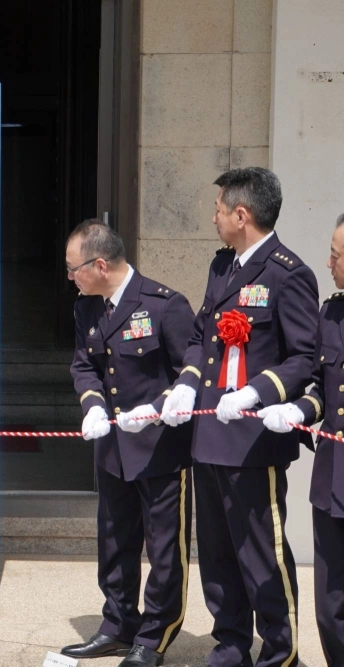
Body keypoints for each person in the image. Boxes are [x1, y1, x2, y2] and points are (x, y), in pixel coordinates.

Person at [158, 167, 318, 667]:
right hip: (209, 434)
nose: (214, 218)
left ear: (242, 215)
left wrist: (255, 392)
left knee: (261, 553)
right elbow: (200, 336)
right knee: (218, 551)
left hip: (252, 440)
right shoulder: (222, 266)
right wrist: (186, 384)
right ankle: (230, 644)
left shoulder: (288, 273)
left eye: (219, 210)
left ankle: (280, 652)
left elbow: (304, 358)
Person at [63, 219, 194, 667]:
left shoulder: (164, 304)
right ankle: (118, 624)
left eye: (74, 268)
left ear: (100, 265)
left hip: (159, 450)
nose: (70, 277)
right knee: (114, 540)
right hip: (113, 449)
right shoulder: (87, 308)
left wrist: (156, 408)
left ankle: (154, 636)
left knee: (164, 550)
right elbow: (84, 366)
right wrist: (93, 406)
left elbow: (190, 373)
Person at [256, 211, 344, 666]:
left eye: (336, 255)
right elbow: (321, 389)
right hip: (333, 481)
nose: (328, 263)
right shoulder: (330, 313)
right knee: (330, 607)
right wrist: (297, 410)